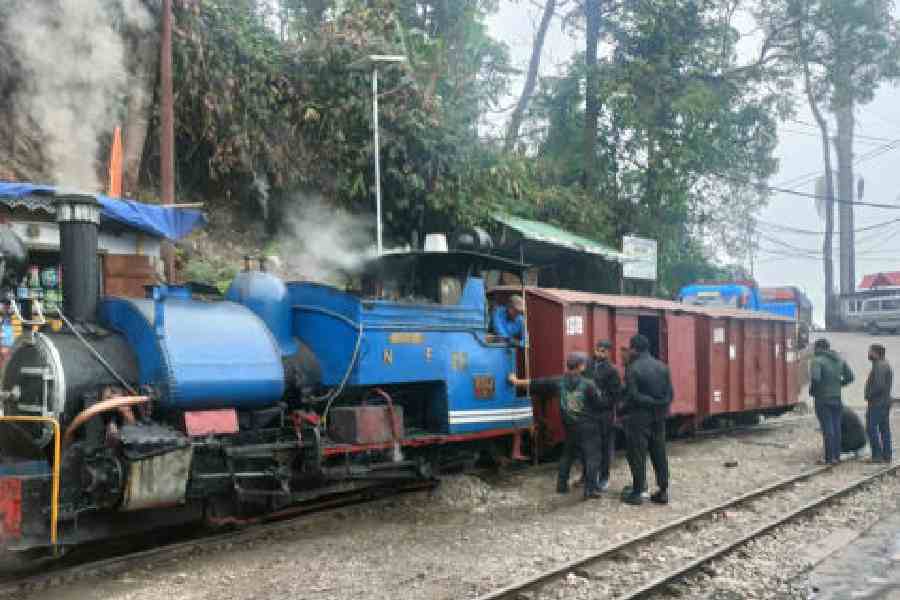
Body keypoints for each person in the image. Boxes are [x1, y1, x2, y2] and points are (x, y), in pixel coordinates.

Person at [510, 352, 608, 499]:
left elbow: (537, 383)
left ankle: (561, 485)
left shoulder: (559, 381)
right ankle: (590, 490)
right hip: (588, 427)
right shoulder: (588, 384)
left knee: (567, 455)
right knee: (592, 457)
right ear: (581, 366)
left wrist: (516, 381)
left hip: (570, 426)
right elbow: (600, 405)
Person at [621, 334, 673, 506]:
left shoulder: (632, 368)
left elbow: (633, 396)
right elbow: (670, 395)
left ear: (634, 349)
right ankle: (663, 491)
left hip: (638, 418)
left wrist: (622, 410)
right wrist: (659, 404)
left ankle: (637, 492)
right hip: (659, 416)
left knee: (637, 454)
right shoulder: (663, 367)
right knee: (659, 452)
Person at [809, 338, 854, 465]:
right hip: (837, 398)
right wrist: (840, 384)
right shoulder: (839, 359)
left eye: (815, 348)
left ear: (819, 348)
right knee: (836, 427)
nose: (813, 351)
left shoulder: (817, 361)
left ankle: (829, 459)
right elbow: (850, 377)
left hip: (822, 399)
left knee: (827, 429)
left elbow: (816, 379)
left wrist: (812, 391)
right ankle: (837, 456)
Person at [589, 340, 621, 492]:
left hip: (605, 415)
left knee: (605, 447)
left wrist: (600, 401)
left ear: (608, 352)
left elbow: (615, 396)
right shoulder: (589, 365)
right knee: (592, 447)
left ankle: (604, 478)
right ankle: (591, 476)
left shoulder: (612, 370)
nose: (599, 353)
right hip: (591, 413)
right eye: (597, 350)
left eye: (602, 351)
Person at [864, 343, 893, 463]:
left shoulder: (879, 366)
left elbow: (879, 386)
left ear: (876, 353)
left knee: (871, 428)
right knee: (884, 429)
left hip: (877, 403)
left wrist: (869, 395)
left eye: (870, 351)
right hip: (884, 402)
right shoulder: (884, 364)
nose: (868, 354)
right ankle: (887, 455)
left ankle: (877, 455)